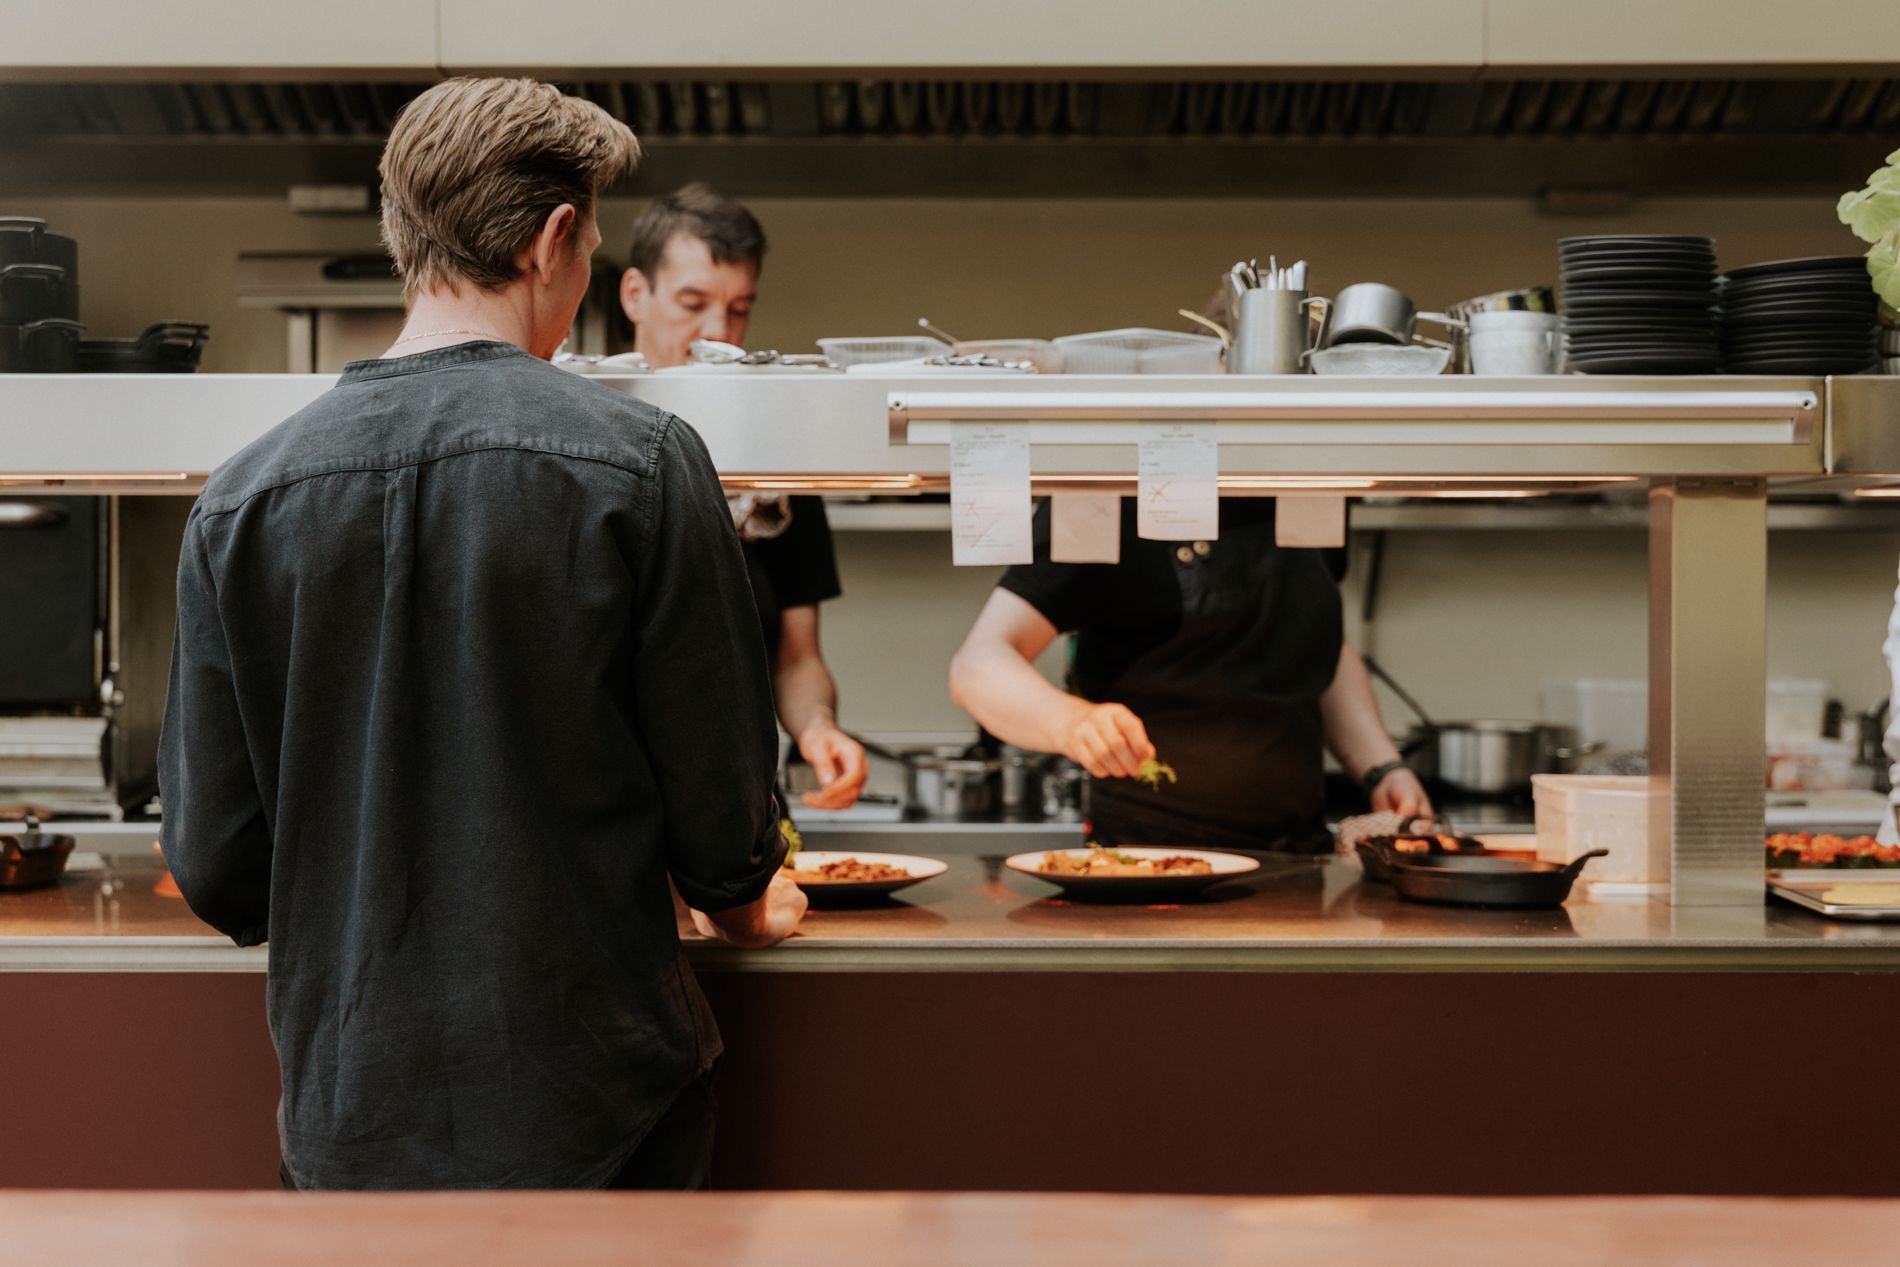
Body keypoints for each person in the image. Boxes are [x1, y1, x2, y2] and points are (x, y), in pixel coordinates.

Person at [159, 77, 806, 1192]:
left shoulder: (240, 500)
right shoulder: (646, 464)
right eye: (591, 238)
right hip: (599, 1116)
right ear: (552, 240)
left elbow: (219, 868)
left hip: (352, 1117)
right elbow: (721, 833)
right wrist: (747, 896)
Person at [949, 499, 1431, 853]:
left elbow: (1316, 643)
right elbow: (978, 665)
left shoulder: (1310, 480)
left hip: (1299, 859)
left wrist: (1381, 766)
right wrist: (1071, 723)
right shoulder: (1105, 496)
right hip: (1148, 864)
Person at [620, 185, 866, 811]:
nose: (719, 334)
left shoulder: (772, 460)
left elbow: (797, 657)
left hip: (742, 812)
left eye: (738, 310)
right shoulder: (591, 448)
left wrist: (817, 729)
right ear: (635, 295)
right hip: (615, 822)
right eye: (693, 304)